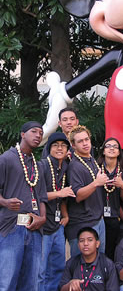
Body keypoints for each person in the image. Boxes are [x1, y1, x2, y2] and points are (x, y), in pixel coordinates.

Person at [0, 121, 47, 291]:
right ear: (22, 134)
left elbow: (42, 197)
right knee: (7, 281)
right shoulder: (7, 158)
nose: (38, 135)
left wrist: (42, 219)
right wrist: (5, 202)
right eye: (34, 131)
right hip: (12, 227)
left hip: (34, 229)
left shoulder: (38, 165)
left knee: (30, 283)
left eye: (41, 133)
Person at [38, 132, 76, 291]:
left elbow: (65, 197)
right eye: (55, 145)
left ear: (68, 149)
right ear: (49, 148)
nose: (59, 148)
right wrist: (59, 194)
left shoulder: (65, 167)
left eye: (63, 145)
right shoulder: (43, 165)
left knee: (58, 267)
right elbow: (37, 194)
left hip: (58, 225)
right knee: (41, 270)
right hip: (43, 226)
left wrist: (65, 214)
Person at [65, 125, 108, 257]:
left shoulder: (91, 160)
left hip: (98, 220)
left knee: (98, 264)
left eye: (86, 139)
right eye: (80, 141)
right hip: (82, 224)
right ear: (73, 145)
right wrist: (96, 183)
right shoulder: (74, 166)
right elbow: (78, 196)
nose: (85, 143)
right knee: (82, 267)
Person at [97, 137, 123, 260]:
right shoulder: (96, 168)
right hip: (98, 215)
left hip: (115, 216)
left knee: (111, 250)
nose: (111, 148)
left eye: (115, 146)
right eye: (108, 146)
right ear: (103, 151)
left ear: (119, 152)